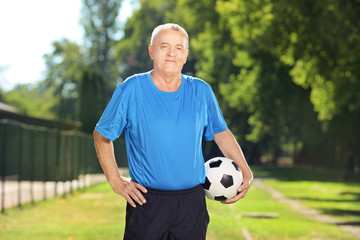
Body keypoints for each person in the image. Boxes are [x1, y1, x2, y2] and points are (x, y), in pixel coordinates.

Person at [93, 23, 253, 240]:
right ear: (151, 51)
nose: (171, 53)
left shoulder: (201, 91)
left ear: (185, 55)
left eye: (178, 48)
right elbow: (102, 135)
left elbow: (221, 133)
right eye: (164, 46)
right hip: (146, 204)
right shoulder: (131, 89)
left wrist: (245, 171)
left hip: (191, 205)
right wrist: (116, 181)